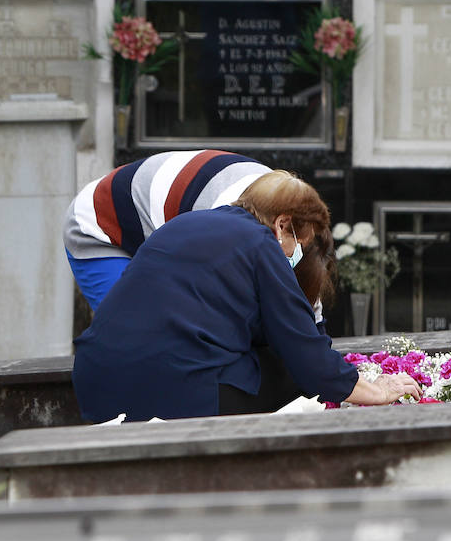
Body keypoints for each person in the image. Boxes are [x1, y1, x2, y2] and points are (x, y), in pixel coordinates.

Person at [72, 170, 421, 422]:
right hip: (174, 396)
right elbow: (307, 358)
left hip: (94, 385)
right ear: (282, 224)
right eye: (301, 243)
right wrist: (377, 391)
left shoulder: (181, 225)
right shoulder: (261, 244)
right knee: (286, 369)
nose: (296, 255)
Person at [64, 149, 271, 311]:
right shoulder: (219, 230)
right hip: (96, 225)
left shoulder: (282, 200)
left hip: (161, 215)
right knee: (133, 333)